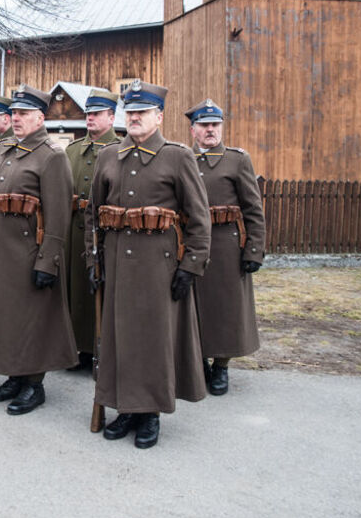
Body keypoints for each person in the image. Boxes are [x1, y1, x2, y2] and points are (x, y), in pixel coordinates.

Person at [86, 80, 211, 449]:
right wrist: (92, 257)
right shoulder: (110, 155)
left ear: (159, 116)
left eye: (143, 112)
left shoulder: (178, 156)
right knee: (118, 337)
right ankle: (125, 407)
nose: (135, 117)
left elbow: (198, 218)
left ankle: (150, 413)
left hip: (160, 267)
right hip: (116, 264)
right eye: (131, 112)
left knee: (152, 341)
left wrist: (191, 265)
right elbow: (94, 213)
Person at [0, 85, 76, 415]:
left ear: (40, 117)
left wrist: (48, 260)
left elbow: (59, 215)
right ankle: (15, 376)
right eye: (14, 113)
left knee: (32, 319)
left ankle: (34, 383)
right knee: (7, 318)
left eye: (23, 114)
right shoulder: (2, 150)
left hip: (27, 253)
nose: (16, 119)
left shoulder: (51, 156)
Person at [185, 98, 265, 396]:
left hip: (226, 245)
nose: (210, 130)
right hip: (192, 244)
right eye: (204, 125)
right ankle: (199, 362)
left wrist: (254, 249)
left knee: (225, 309)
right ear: (193, 130)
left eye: (215, 125)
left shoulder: (237, 160)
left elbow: (253, 208)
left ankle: (221, 366)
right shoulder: (183, 159)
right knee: (194, 306)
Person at [65, 88, 120, 371]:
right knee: (76, 289)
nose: (90, 118)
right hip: (74, 232)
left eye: (97, 114)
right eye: (88, 114)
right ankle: (80, 348)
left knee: (101, 287)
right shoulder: (72, 150)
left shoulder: (120, 151)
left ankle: (102, 349)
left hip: (105, 232)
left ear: (111, 117)